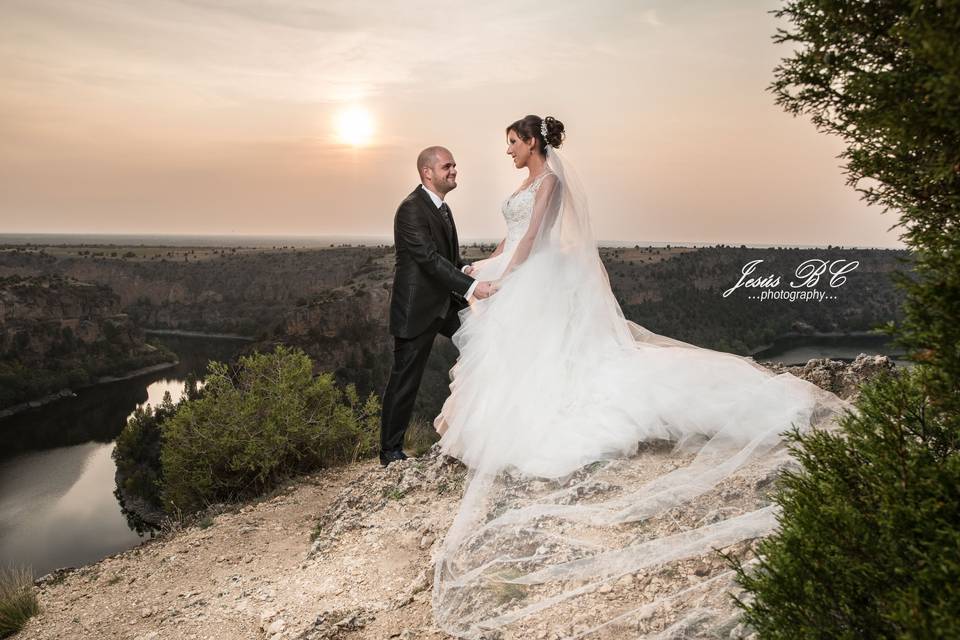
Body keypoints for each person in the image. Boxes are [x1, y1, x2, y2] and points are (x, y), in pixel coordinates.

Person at [429, 116, 857, 638]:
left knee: (559, 355)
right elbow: (511, 237)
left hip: (537, 275)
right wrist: (484, 265)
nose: (508, 152)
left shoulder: (551, 182)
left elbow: (536, 236)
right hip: (521, 269)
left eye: (513, 143)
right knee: (525, 354)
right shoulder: (523, 182)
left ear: (533, 142)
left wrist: (509, 276)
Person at [379, 146, 496, 468]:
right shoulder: (411, 209)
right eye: (448, 166)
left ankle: (482, 431)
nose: (454, 170)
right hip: (416, 309)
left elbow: (445, 258)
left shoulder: (442, 208)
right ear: (427, 172)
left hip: (445, 304)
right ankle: (390, 452)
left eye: (455, 165)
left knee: (485, 348)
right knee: (405, 380)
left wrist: (466, 269)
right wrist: (473, 288)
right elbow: (428, 260)